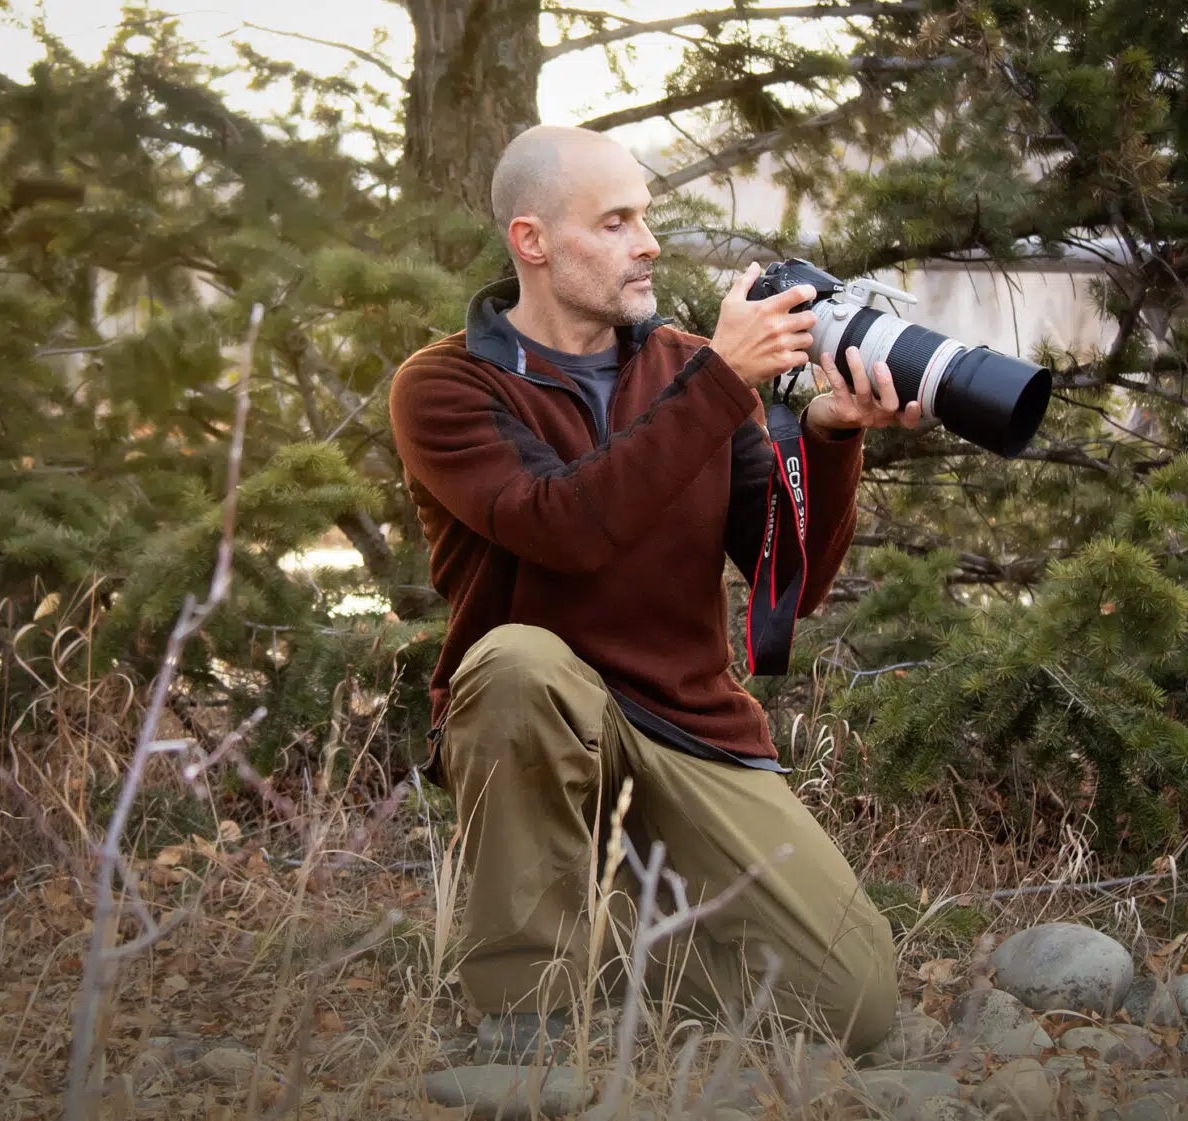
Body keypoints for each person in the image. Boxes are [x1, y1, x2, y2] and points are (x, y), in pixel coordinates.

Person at [388, 125, 923, 1062]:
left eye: (646, 217)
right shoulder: (446, 386)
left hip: (686, 723)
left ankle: (610, 929)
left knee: (855, 1002)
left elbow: (781, 581)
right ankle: (529, 1014)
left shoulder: (689, 370)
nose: (650, 244)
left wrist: (834, 437)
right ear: (534, 242)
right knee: (515, 662)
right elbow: (565, 525)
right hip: (542, 721)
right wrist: (722, 380)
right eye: (618, 221)